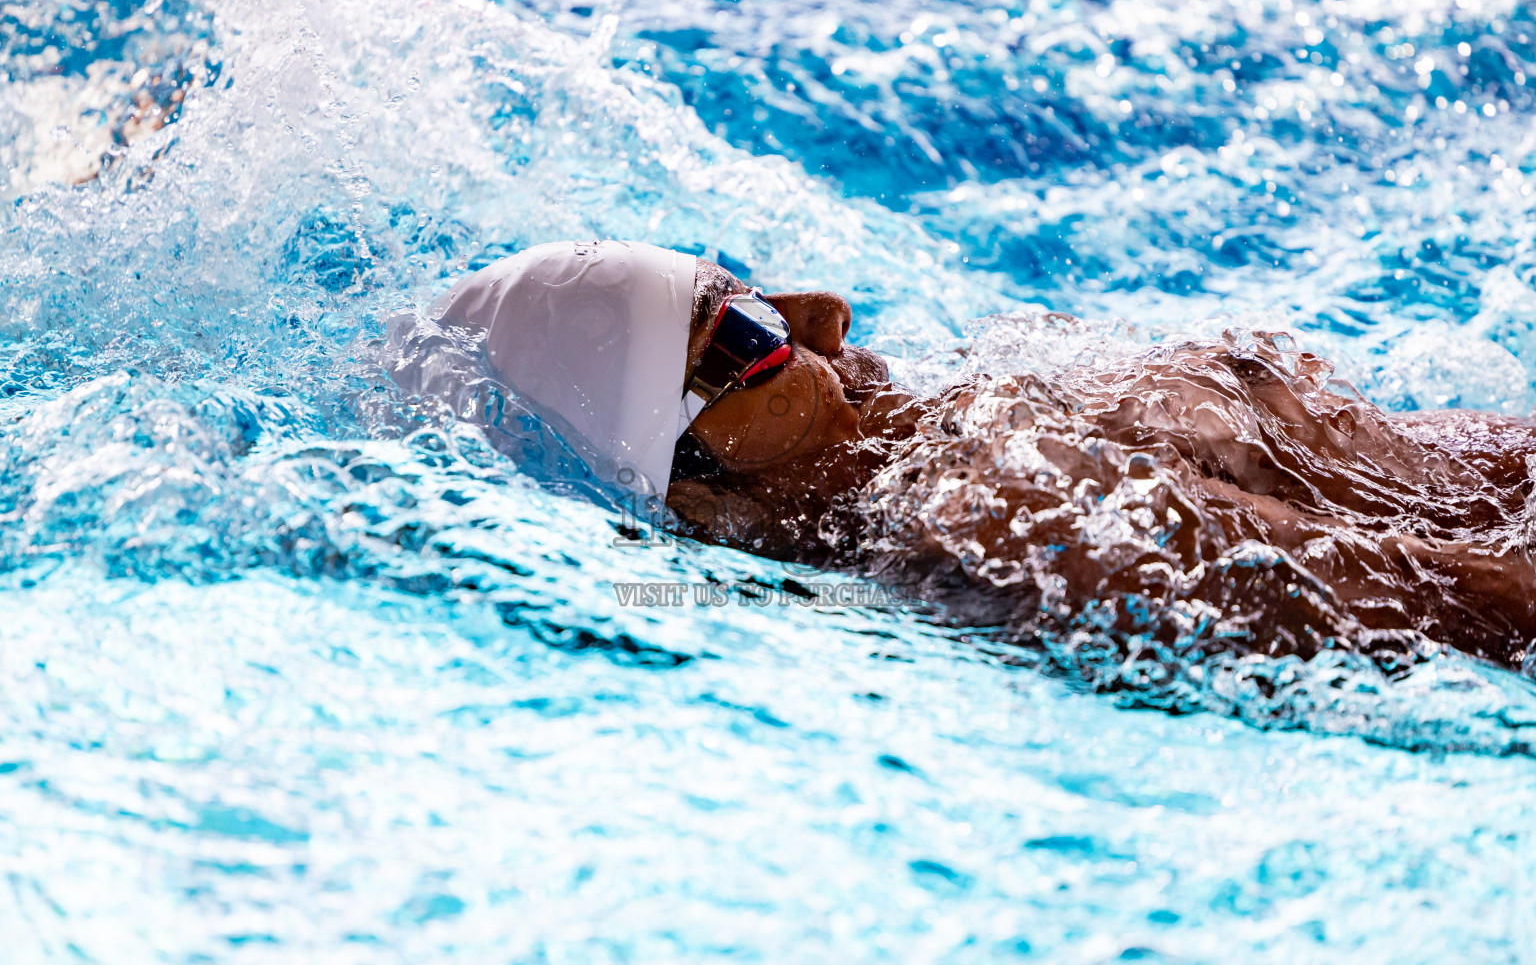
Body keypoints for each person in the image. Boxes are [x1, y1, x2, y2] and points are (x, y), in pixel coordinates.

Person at [398, 240, 1536, 677]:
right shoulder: (1008, 508)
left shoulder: (1010, 421)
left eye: (751, 284)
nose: (827, 314)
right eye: (746, 334)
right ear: (696, 488)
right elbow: (1477, 601)